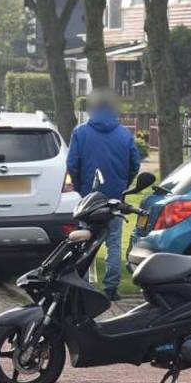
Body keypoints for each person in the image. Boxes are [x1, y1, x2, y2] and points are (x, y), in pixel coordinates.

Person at [67, 89, 142, 301]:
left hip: (89, 199)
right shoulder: (124, 134)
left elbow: (72, 164)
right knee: (114, 243)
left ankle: (85, 286)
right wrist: (122, 184)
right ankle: (111, 288)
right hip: (115, 197)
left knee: (86, 241)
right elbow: (134, 164)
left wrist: (82, 188)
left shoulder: (80, 133)